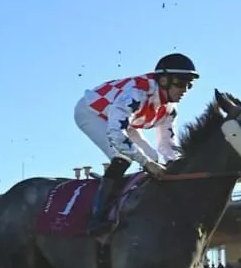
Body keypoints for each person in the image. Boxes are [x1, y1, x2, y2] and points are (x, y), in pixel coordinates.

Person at [74, 52, 199, 235]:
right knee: (122, 156)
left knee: (155, 157)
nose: (184, 90)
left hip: (123, 120)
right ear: (163, 80)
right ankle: (97, 218)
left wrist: (179, 166)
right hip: (92, 113)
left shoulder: (170, 110)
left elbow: (167, 147)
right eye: (180, 84)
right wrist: (146, 163)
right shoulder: (136, 93)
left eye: (189, 86)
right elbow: (116, 133)